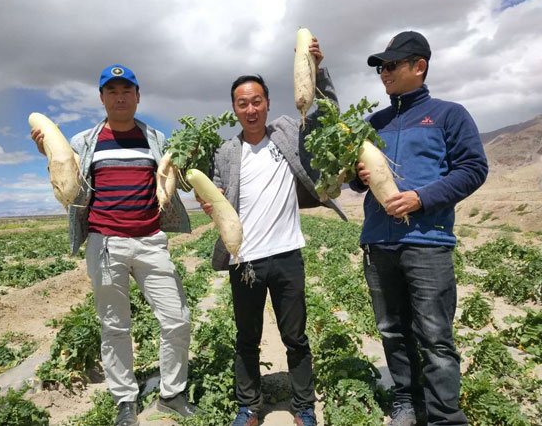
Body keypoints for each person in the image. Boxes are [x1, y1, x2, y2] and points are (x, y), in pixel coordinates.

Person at [32, 65, 197, 426]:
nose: (119, 97)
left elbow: (179, 183)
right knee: (114, 326)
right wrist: (48, 152)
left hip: (151, 241)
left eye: (127, 90)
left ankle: (172, 393)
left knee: (176, 319)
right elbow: (66, 181)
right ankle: (125, 398)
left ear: (138, 97)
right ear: (102, 98)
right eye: (112, 91)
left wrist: (190, 157)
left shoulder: (156, 139)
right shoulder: (83, 142)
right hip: (105, 243)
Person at [198, 39, 346, 426]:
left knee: (295, 337)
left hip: (285, 256)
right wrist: (208, 203)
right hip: (243, 260)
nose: (250, 109)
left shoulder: (289, 133)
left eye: (257, 101)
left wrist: (317, 67)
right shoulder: (226, 152)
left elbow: (328, 113)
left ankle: (304, 407)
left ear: (267, 102)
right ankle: (249, 406)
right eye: (242, 103)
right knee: (246, 338)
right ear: (234, 108)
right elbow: (213, 188)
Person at [350, 31, 488, 426]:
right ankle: (407, 403)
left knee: (435, 337)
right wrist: (359, 177)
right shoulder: (374, 123)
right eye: (380, 66)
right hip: (378, 242)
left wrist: (420, 199)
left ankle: (445, 416)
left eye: (391, 65)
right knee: (392, 331)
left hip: (427, 242)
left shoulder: (449, 114)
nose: (383, 72)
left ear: (419, 66)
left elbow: (474, 169)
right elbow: (360, 182)